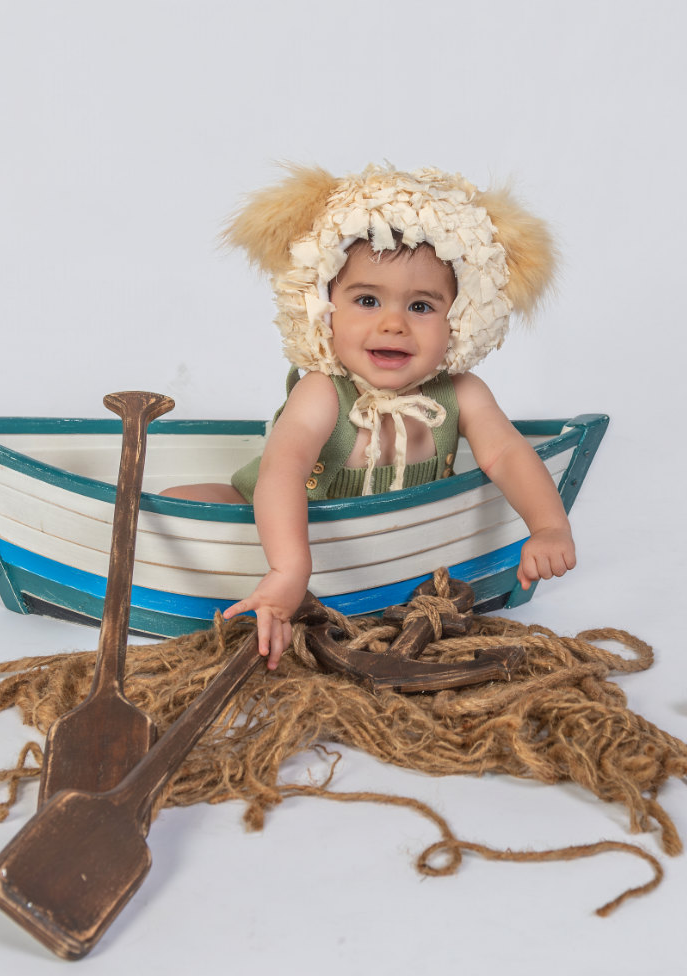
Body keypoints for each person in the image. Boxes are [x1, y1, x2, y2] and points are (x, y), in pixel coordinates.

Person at [162, 164, 574, 668]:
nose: (393, 323)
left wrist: (548, 526)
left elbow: (507, 454)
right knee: (175, 504)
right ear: (324, 307)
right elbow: (283, 470)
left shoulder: (461, 393)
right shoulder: (323, 391)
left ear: (461, 319)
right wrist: (290, 568)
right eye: (367, 300)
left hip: (375, 536)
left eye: (421, 307)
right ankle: (243, 571)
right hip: (278, 511)